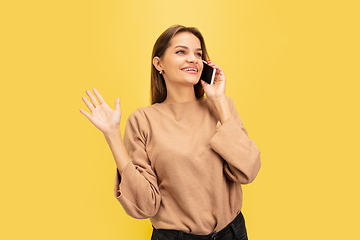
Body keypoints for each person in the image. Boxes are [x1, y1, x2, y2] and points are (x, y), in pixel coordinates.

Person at [80, 25, 261, 240]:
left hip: (231, 233)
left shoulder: (223, 107)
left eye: (198, 54)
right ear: (159, 63)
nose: (193, 59)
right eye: (181, 52)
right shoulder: (143, 120)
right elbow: (146, 206)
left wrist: (219, 101)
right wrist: (111, 135)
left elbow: (248, 171)